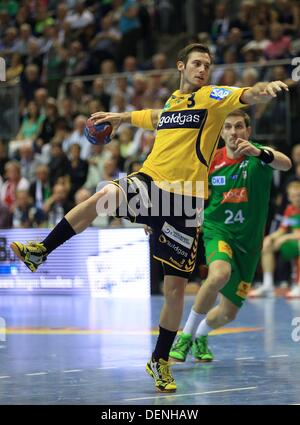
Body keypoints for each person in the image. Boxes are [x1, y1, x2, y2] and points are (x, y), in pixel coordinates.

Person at [11, 43, 289, 393]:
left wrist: (267, 89)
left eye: (207, 64)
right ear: (181, 66)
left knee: (174, 290)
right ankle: (42, 250)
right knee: (103, 195)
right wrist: (120, 118)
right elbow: (153, 117)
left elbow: (249, 94)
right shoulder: (174, 103)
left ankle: (159, 360)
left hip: (186, 203)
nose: (203, 69)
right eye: (197, 64)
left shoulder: (214, 97)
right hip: (151, 183)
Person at [169, 109, 291, 363]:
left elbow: (286, 163)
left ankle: (201, 336)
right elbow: (190, 193)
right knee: (219, 274)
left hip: (249, 243)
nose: (234, 132)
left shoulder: (260, 157)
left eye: (238, 127)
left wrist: (260, 153)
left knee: (228, 313)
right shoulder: (212, 161)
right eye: (228, 128)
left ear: (248, 131)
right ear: (221, 132)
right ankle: (185, 337)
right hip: (218, 230)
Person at [250, 181, 300, 299]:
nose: (296, 198)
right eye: (293, 196)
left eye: (298, 195)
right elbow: (282, 230)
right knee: (267, 244)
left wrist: (285, 237)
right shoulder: (289, 210)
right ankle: (268, 285)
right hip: (292, 241)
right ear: (288, 197)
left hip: (296, 241)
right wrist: (270, 237)